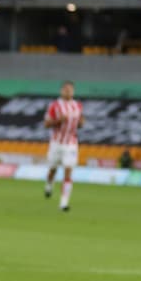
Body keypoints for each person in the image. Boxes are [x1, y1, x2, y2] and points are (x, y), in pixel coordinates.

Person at [44, 80, 85, 211]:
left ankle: (64, 202)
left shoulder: (77, 106)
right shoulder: (54, 106)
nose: (68, 92)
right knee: (53, 170)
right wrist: (58, 120)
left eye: (70, 89)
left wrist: (81, 123)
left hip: (71, 143)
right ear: (61, 91)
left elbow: (80, 122)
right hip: (56, 143)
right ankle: (49, 185)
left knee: (68, 172)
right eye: (66, 89)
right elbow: (46, 124)